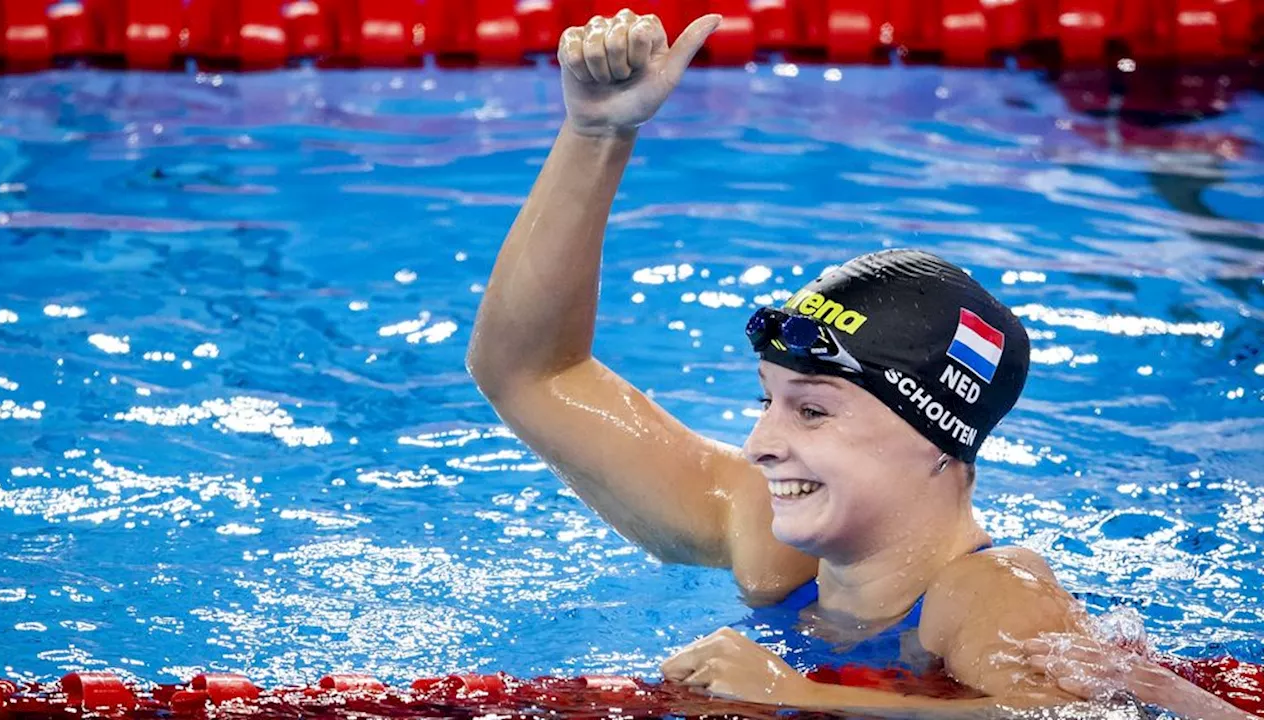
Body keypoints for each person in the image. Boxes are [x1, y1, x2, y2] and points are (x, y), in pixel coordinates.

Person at [465, 8, 1254, 717]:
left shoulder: (992, 596)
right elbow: (532, 375)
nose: (759, 444)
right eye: (766, 401)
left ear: (940, 437)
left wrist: (800, 697)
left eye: (811, 409)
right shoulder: (774, 544)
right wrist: (597, 134)